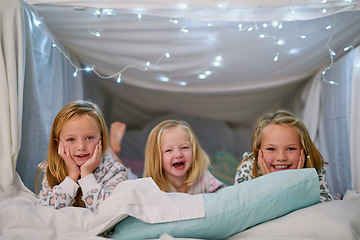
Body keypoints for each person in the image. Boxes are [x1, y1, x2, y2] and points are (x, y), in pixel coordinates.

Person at [35, 100, 128, 212]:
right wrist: (72, 176)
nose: (81, 147)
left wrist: (87, 175)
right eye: (71, 139)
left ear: (101, 139)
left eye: (89, 138)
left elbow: (109, 211)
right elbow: (43, 211)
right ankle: (113, 146)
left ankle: (112, 147)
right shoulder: (53, 170)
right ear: (58, 143)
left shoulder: (114, 171)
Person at [234, 110, 333, 202]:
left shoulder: (312, 166)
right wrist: (270, 185)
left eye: (291, 149)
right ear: (258, 150)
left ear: (304, 149)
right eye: (271, 149)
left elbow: (325, 204)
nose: (281, 158)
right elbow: (240, 209)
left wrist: (297, 187)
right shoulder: (249, 168)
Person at [143, 119, 225, 194]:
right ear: (156, 158)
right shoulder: (154, 189)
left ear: (194, 151)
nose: (178, 154)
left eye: (184, 147)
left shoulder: (204, 178)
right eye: (169, 150)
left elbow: (223, 197)